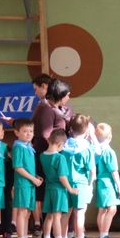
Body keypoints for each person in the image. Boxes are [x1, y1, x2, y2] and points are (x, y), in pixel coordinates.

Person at [32, 78, 72, 229]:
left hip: (51, 157)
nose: (69, 99)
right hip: (47, 159)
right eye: (67, 95)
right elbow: (45, 134)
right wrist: (58, 146)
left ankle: (52, 233)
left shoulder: (54, 108)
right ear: (61, 95)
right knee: (46, 199)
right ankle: (49, 233)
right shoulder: (46, 109)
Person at [40, 129, 78, 238]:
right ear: (60, 144)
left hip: (49, 188)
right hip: (59, 189)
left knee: (49, 215)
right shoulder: (60, 158)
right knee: (57, 216)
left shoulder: (42, 155)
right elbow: (62, 177)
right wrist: (70, 189)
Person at [62, 114, 96, 238]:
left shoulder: (65, 144)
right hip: (81, 183)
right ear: (87, 130)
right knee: (79, 212)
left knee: (66, 211)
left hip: (66, 183)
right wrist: (90, 183)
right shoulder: (86, 148)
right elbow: (92, 169)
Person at [11, 118, 43, 238]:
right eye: (25, 131)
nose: (29, 134)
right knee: (22, 211)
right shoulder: (18, 147)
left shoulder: (28, 146)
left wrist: (35, 176)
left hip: (30, 183)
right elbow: (18, 167)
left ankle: (24, 237)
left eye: (31, 131)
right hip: (23, 183)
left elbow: (27, 166)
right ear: (17, 133)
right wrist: (32, 179)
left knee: (28, 212)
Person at [93, 122, 120, 238]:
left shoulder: (97, 150)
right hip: (108, 183)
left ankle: (102, 234)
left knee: (102, 210)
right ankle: (104, 235)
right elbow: (114, 171)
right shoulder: (109, 151)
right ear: (110, 136)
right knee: (112, 209)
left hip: (99, 182)